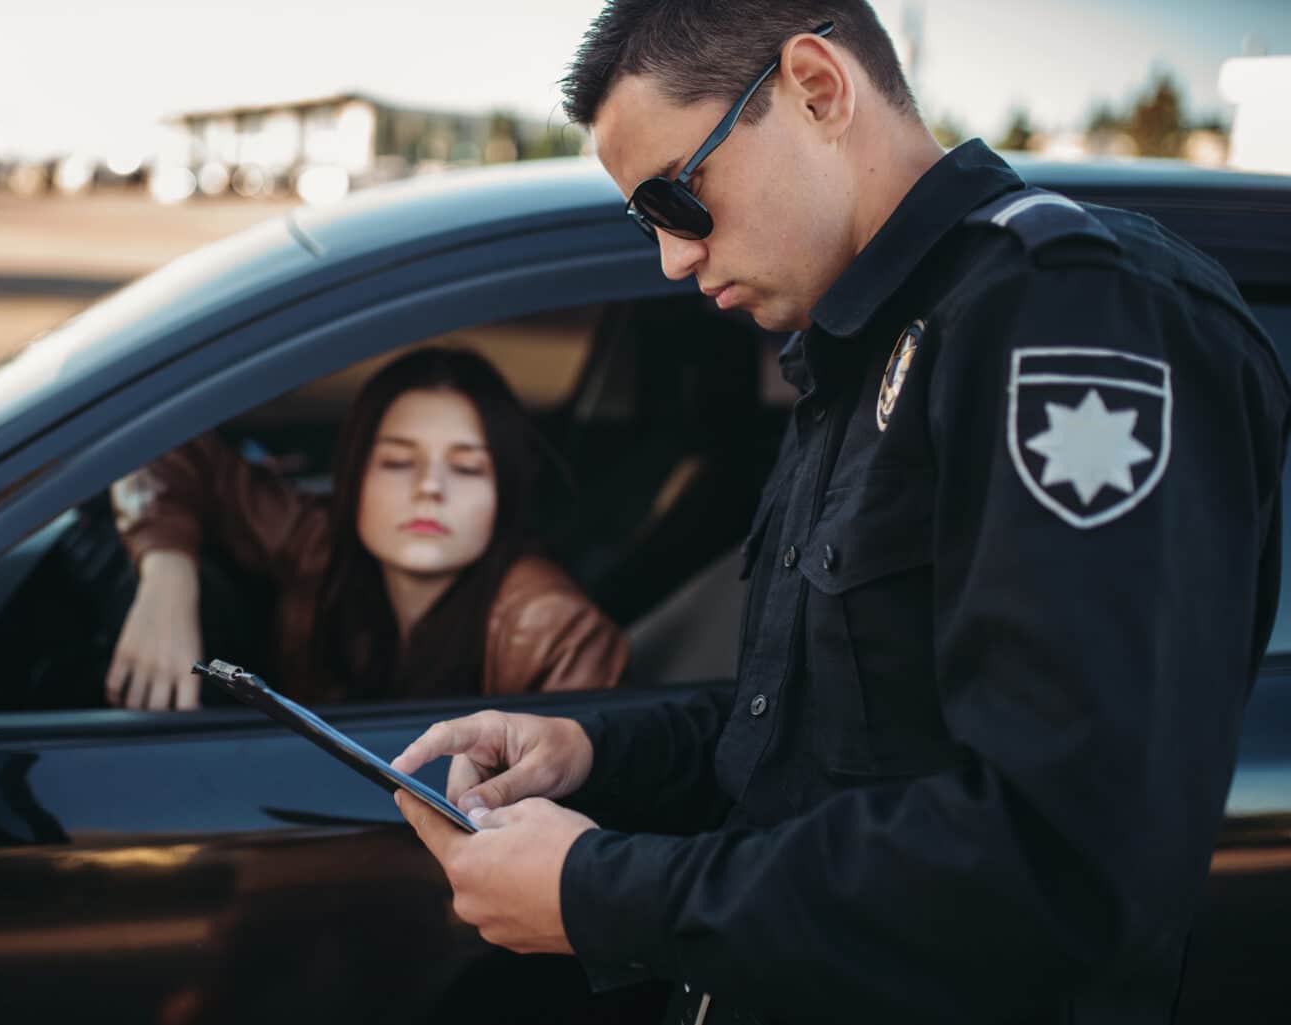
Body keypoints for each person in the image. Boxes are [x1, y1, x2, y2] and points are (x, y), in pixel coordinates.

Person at [390, 2, 1291, 1023]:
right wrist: (595, 752)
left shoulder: (1069, 316)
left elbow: (1061, 860)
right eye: (644, 223)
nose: (672, 259)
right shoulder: (859, 346)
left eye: (677, 200)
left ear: (817, 87)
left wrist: (600, 892)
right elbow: (817, 738)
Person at [105, 346, 628, 710]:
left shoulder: (555, 631)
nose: (430, 488)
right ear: (354, 478)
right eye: (399, 463)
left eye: (467, 468)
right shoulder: (319, 541)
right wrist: (167, 573)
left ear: (504, 494)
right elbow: (153, 444)